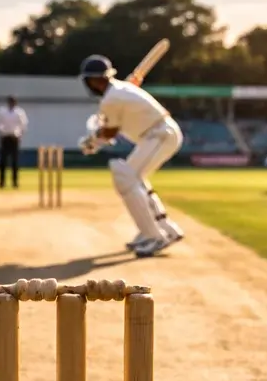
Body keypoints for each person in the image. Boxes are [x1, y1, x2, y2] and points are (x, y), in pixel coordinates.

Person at [76, 54, 185, 257]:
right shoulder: (120, 90)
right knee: (135, 178)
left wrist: (91, 140)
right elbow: (110, 128)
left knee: (125, 177)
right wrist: (95, 140)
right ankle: (164, 229)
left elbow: (110, 132)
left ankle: (155, 236)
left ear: (92, 80)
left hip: (160, 135)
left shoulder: (112, 99)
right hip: (157, 135)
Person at [0, 96, 28, 188]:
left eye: (13, 102)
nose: (11, 104)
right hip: (5, 137)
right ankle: (2, 182)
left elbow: (23, 124)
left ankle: (15, 182)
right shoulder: (2, 111)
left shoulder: (19, 112)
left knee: (15, 161)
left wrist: (19, 134)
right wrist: (0, 133)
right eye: (10, 102)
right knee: (2, 161)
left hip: (14, 137)